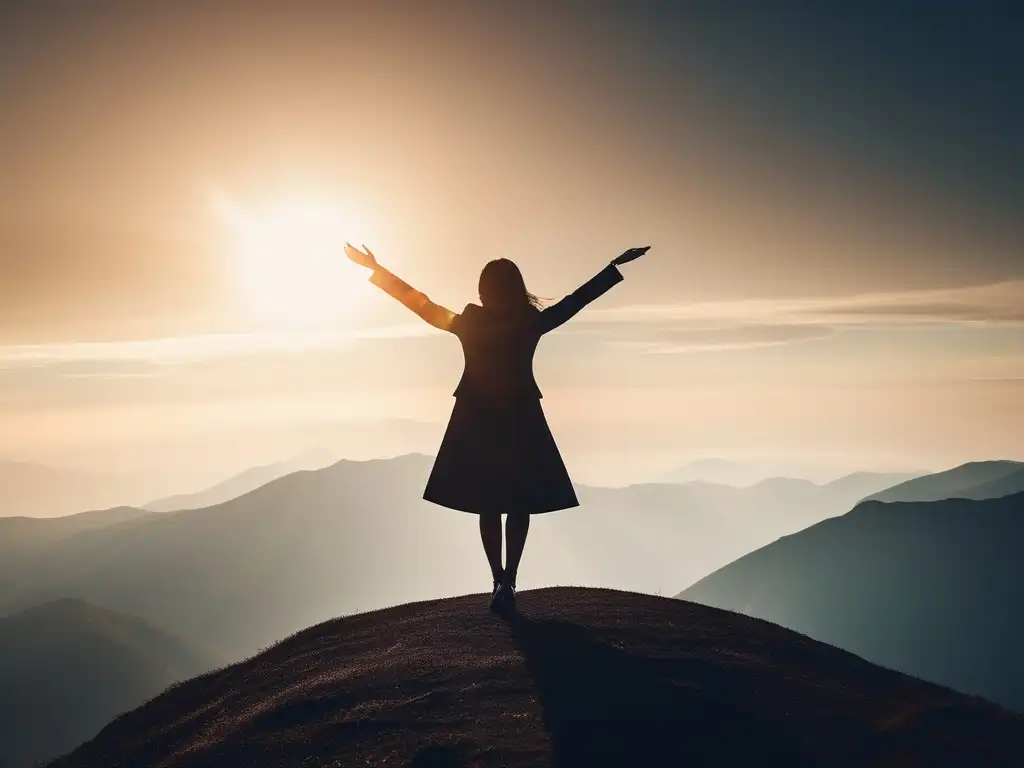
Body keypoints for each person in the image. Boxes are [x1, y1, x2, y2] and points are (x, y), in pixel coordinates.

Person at [345, 242, 650, 612]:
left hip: (477, 420)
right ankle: (508, 582)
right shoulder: (528, 323)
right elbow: (574, 302)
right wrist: (612, 268)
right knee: (517, 502)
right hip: (520, 417)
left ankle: (498, 581)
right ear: (516, 287)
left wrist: (376, 270)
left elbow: (421, 305)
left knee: (489, 502)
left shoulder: (470, 323)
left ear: (484, 290)